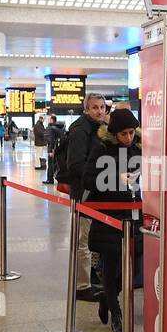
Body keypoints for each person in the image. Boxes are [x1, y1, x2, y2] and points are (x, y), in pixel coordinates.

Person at [84, 108, 142, 332]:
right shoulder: (101, 149)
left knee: (136, 262)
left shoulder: (138, 150)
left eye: (131, 133)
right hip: (108, 215)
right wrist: (115, 177)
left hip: (132, 213)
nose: (128, 138)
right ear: (113, 133)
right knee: (110, 263)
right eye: (123, 134)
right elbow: (88, 179)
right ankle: (116, 311)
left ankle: (107, 298)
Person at [59, 93, 106, 303]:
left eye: (102, 107)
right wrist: (100, 174)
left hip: (94, 193)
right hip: (84, 193)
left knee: (90, 239)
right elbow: (76, 164)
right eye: (95, 107)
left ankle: (89, 278)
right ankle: (82, 286)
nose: (99, 111)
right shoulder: (81, 130)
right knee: (82, 241)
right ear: (86, 110)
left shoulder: (96, 129)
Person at [43, 114, 62, 185]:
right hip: (59, 148)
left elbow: (51, 140)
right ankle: (60, 178)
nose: (48, 120)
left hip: (52, 149)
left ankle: (50, 179)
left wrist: (50, 150)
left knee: (50, 164)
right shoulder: (60, 127)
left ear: (52, 120)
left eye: (49, 119)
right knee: (58, 164)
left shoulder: (50, 128)